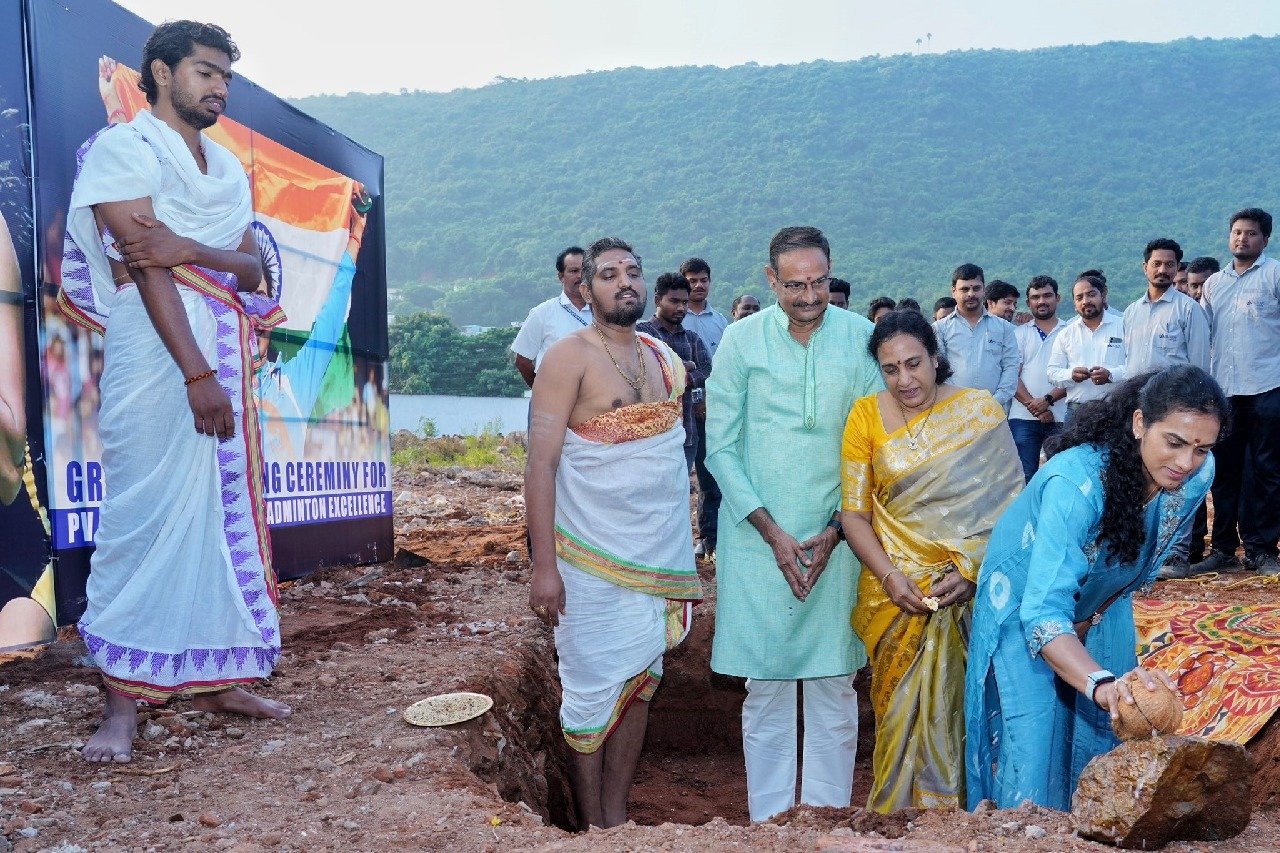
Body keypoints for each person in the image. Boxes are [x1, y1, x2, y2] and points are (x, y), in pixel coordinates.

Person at [59, 20, 289, 764]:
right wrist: (196, 375)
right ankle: (121, 702)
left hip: (224, 345)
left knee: (217, 522)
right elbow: (143, 264)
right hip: (158, 357)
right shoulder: (122, 149)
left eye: (225, 75)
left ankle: (219, 676)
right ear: (159, 72)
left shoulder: (227, 169)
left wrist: (190, 246)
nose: (218, 86)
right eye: (203, 71)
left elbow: (252, 269)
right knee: (142, 515)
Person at [965, 365, 1226, 810]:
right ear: (1140, 423)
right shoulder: (1076, 484)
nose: (1186, 462)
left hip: (1104, 607)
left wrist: (1093, 623)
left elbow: (1135, 563)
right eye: (1175, 443)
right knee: (1033, 751)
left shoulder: (1199, 475)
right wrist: (1100, 682)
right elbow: (1044, 613)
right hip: (1025, 608)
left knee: (1106, 743)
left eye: (1201, 448)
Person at [706, 226, 883, 822]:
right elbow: (720, 449)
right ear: (770, 279)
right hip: (757, 539)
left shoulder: (861, 339)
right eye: (795, 285)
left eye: (820, 283)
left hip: (840, 535)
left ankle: (827, 820)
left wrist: (836, 530)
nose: (810, 297)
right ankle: (771, 824)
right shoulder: (739, 341)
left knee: (836, 685)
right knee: (769, 687)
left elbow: (870, 448)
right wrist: (773, 534)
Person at [525, 237, 702, 829]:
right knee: (591, 691)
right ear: (585, 287)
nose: (624, 282)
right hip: (588, 559)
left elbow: (669, 469)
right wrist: (543, 568)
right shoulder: (566, 357)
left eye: (633, 272)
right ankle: (588, 824)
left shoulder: (662, 358)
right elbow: (540, 465)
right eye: (608, 274)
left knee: (642, 681)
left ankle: (617, 818)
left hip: (656, 558)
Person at [841, 310, 1022, 812]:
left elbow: (1011, 509)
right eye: (891, 368)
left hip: (967, 594)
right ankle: (896, 820)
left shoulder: (979, 412)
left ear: (936, 359)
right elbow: (853, 515)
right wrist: (890, 575)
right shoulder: (865, 417)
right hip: (893, 597)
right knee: (897, 715)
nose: (905, 379)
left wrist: (970, 569)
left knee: (960, 715)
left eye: (914, 364)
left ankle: (955, 822)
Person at [1199, 208, 1280, 576]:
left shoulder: (1275, 274)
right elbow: (1204, 336)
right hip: (1226, 392)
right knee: (1225, 472)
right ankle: (1223, 549)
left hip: (1268, 386)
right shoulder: (1214, 283)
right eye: (1236, 232)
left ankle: (1262, 549)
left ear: (1265, 239)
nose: (1241, 239)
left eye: (1250, 233)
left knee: (1265, 470)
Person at [636, 273, 712, 471]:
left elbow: (707, 370)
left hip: (686, 431)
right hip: (649, 435)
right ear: (657, 300)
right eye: (674, 301)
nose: (681, 308)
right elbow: (649, 372)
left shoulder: (692, 338)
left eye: (685, 302)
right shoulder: (642, 334)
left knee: (678, 494)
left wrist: (677, 372)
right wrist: (686, 367)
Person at [680, 257, 728, 560]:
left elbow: (723, 369)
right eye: (692, 280)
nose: (698, 285)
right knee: (679, 476)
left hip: (715, 410)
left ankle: (710, 541)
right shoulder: (675, 319)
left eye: (703, 280)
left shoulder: (720, 322)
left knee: (712, 477)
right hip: (682, 411)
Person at [933, 264, 1018, 412]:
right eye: (964, 289)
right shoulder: (940, 328)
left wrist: (994, 401)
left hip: (994, 411)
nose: (971, 293)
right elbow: (937, 371)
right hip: (954, 411)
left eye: (976, 288)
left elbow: (1011, 368)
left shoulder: (1004, 328)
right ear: (953, 292)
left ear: (984, 290)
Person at [1047, 273, 1128, 425]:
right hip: (1077, 413)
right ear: (1074, 303)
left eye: (1091, 295)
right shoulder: (1066, 334)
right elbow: (1052, 373)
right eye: (1079, 298)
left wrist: (1111, 374)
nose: (1086, 301)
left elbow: (1137, 367)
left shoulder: (1124, 326)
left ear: (1103, 295)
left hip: (1115, 410)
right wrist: (1071, 374)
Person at [1122, 238, 1209, 375]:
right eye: (1156, 264)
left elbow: (1200, 366)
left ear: (1177, 268)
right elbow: (1125, 361)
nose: (1162, 270)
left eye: (1169, 264)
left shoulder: (1189, 309)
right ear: (1145, 267)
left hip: (1172, 394)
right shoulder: (1131, 312)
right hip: (1134, 394)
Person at [1009, 276, 1067, 481]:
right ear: (1028, 303)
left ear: (1057, 298)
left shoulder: (1070, 331)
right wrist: (1035, 407)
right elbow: (1011, 375)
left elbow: (1075, 376)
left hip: (1060, 416)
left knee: (1059, 476)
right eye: (1035, 297)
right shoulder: (1018, 334)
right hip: (1022, 417)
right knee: (1024, 477)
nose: (1041, 301)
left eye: (1047, 296)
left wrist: (1047, 401)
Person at [511, 247, 588, 388]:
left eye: (585, 270)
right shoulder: (542, 313)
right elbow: (522, 361)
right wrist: (542, 393)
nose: (580, 276)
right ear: (561, 277)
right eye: (574, 271)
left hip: (594, 403)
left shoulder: (604, 313)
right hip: (553, 403)